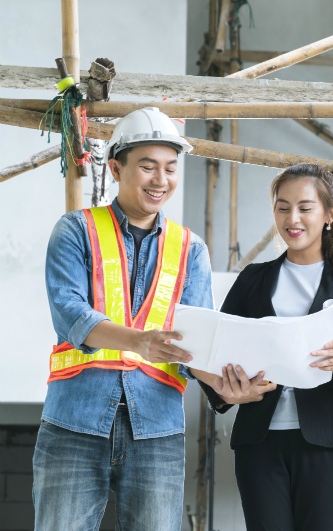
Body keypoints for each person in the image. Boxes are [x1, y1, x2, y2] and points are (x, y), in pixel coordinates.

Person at [193, 163, 333, 531]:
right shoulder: (253, 278)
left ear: (328, 214)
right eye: (283, 207)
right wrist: (228, 392)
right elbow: (216, 350)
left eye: (305, 208)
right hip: (259, 441)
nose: (293, 218)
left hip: (329, 441)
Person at [34, 106, 213, 530]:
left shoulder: (191, 249)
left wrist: (228, 384)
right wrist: (140, 342)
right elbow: (71, 316)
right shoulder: (76, 231)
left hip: (157, 429)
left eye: (170, 168)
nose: (161, 180)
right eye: (147, 166)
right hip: (74, 421)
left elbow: (199, 342)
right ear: (115, 168)